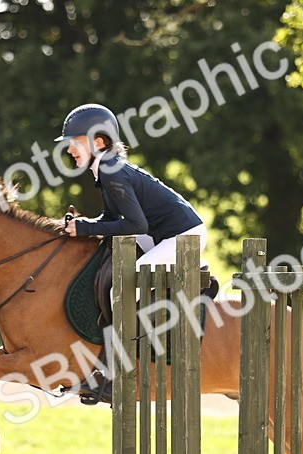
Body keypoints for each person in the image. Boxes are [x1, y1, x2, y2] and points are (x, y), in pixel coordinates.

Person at [59, 103, 207, 404]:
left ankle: (117, 374)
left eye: (75, 142)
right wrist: (83, 226)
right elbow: (109, 220)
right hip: (159, 236)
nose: (70, 149)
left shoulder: (112, 171)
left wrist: (86, 230)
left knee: (124, 288)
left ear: (99, 142)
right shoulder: (106, 170)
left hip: (179, 237)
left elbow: (134, 223)